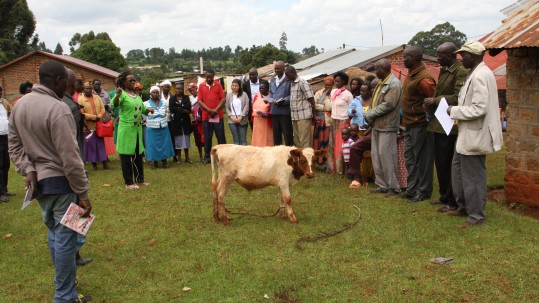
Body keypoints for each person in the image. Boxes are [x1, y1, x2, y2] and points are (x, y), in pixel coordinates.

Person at [8, 60, 93, 303]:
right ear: (57, 80)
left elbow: (14, 147)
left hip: (38, 184)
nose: (69, 87)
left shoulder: (20, 106)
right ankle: (65, 295)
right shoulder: (58, 109)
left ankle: (66, 287)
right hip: (62, 183)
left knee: (55, 234)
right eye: (67, 82)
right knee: (67, 238)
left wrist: (27, 169)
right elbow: (70, 156)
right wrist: (83, 193)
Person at [447, 41, 503, 228]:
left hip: (475, 135)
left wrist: (453, 111)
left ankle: (476, 216)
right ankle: (463, 206)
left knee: (473, 177)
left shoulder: (480, 75)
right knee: (458, 172)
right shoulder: (475, 73)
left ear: (475, 56)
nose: (462, 59)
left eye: (464, 56)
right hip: (467, 134)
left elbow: (479, 108)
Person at [423, 42, 468, 212]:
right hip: (438, 124)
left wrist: (434, 100)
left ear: (450, 55)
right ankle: (444, 195)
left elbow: (458, 97)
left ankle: (452, 199)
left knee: (448, 163)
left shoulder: (460, 71)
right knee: (440, 162)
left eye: (440, 55)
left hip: (449, 125)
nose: (437, 58)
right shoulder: (444, 69)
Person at [400, 46, 436, 202]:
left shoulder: (423, 78)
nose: (403, 60)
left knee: (422, 159)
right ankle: (412, 188)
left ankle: (424, 191)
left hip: (420, 124)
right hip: (409, 123)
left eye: (405, 57)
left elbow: (434, 100)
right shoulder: (411, 75)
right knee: (409, 158)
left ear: (413, 58)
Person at [364, 59, 402, 195]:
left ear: (384, 69)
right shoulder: (381, 83)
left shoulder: (394, 84)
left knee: (387, 157)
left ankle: (393, 187)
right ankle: (382, 185)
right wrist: (370, 114)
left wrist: (370, 114)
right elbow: (375, 102)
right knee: (376, 156)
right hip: (377, 124)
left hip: (387, 125)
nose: (375, 72)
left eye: (376, 69)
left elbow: (388, 105)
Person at [111, 71, 154, 189]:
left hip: (137, 129)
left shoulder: (136, 95)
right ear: (124, 82)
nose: (133, 82)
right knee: (126, 156)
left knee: (138, 155)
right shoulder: (122, 94)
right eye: (130, 81)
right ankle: (129, 182)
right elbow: (114, 104)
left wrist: (148, 109)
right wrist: (117, 96)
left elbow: (142, 108)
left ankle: (140, 179)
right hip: (126, 129)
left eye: (134, 80)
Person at [79, 81, 109, 170]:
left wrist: (99, 116)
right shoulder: (80, 99)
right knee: (91, 145)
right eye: (87, 89)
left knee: (101, 144)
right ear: (84, 89)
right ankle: (94, 164)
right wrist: (93, 117)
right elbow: (81, 113)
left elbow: (102, 108)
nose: (89, 90)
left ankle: (104, 163)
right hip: (88, 126)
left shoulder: (97, 97)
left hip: (99, 125)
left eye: (90, 89)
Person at [198, 69, 226, 164]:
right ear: (205, 76)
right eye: (207, 77)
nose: (209, 79)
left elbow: (222, 99)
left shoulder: (218, 85)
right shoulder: (201, 86)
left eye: (211, 77)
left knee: (220, 137)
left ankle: (223, 156)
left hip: (218, 116)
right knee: (207, 137)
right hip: (206, 116)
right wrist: (209, 110)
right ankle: (207, 157)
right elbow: (200, 101)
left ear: (214, 76)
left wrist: (215, 110)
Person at [144, 86, 175, 168]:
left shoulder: (164, 103)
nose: (155, 94)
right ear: (150, 93)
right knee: (152, 144)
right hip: (151, 127)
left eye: (157, 92)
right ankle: (154, 161)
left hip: (163, 126)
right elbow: (143, 115)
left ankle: (164, 161)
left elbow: (167, 113)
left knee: (164, 144)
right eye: (153, 92)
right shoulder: (145, 103)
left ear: (159, 94)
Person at [285, 66, 315, 148]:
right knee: (297, 140)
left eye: (287, 75)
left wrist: (314, 115)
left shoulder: (302, 82)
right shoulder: (292, 83)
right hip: (295, 116)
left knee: (304, 140)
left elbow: (311, 99)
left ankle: (307, 159)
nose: (286, 77)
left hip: (303, 116)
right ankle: (300, 159)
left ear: (292, 73)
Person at [330, 71, 353, 174]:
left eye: (338, 81)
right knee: (332, 144)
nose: (336, 83)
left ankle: (341, 170)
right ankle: (332, 169)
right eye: (335, 81)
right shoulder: (333, 92)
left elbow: (352, 109)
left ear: (343, 81)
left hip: (343, 121)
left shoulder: (348, 94)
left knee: (340, 146)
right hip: (333, 120)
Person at [269, 60, 293, 146]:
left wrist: (284, 100)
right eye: (275, 69)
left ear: (284, 68)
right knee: (276, 136)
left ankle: (289, 154)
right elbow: (271, 93)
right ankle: (277, 155)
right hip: (274, 111)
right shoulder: (272, 79)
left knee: (287, 135)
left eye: (279, 69)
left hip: (285, 112)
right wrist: (269, 99)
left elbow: (292, 95)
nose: (277, 71)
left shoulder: (288, 80)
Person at [312, 76, 333, 168]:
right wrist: (324, 107)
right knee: (317, 140)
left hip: (328, 121)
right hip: (319, 121)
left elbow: (331, 107)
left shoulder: (334, 93)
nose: (327, 86)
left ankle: (326, 161)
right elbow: (314, 105)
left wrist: (324, 106)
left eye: (329, 85)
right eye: (326, 85)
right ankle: (317, 160)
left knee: (326, 140)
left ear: (332, 85)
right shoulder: (319, 92)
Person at [169, 83, 193, 163]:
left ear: (182, 90)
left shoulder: (186, 98)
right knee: (178, 140)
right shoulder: (172, 98)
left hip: (185, 122)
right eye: (177, 89)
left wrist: (179, 108)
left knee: (186, 140)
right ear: (175, 89)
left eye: (180, 89)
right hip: (176, 122)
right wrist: (183, 110)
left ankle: (187, 158)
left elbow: (188, 107)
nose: (178, 90)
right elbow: (172, 109)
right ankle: (179, 158)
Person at [93, 79, 115, 163]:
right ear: (93, 85)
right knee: (96, 139)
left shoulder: (105, 94)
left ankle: (105, 156)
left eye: (98, 84)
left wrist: (108, 107)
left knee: (105, 140)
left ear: (100, 85)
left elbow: (111, 105)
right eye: (95, 84)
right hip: (95, 120)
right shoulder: (91, 94)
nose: (97, 86)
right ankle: (97, 157)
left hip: (105, 119)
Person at [226, 79, 249, 145]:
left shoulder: (244, 94)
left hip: (242, 119)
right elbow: (227, 107)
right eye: (233, 85)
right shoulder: (229, 95)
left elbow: (246, 106)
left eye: (236, 86)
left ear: (239, 86)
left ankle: (244, 155)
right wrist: (231, 116)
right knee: (236, 140)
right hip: (232, 120)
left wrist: (241, 117)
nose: (234, 87)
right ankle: (237, 155)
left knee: (243, 140)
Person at [0, 85, 13, 202]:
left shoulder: (4, 102)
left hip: (5, 136)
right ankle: (1, 193)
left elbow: (11, 111)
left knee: (5, 164)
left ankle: (5, 189)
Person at [251, 80, 273, 147]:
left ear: (267, 88)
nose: (261, 90)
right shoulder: (256, 96)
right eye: (260, 88)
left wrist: (266, 114)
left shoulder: (270, 97)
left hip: (266, 121)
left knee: (266, 138)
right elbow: (253, 106)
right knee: (257, 138)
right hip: (257, 121)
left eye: (263, 88)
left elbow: (273, 110)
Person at [188, 82, 204, 161]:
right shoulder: (189, 99)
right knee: (197, 138)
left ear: (196, 89)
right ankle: (200, 155)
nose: (192, 91)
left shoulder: (201, 96)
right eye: (190, 90)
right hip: (194, 121)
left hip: (203, 120)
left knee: (205, 137)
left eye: (193, 89)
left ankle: (207, 154)